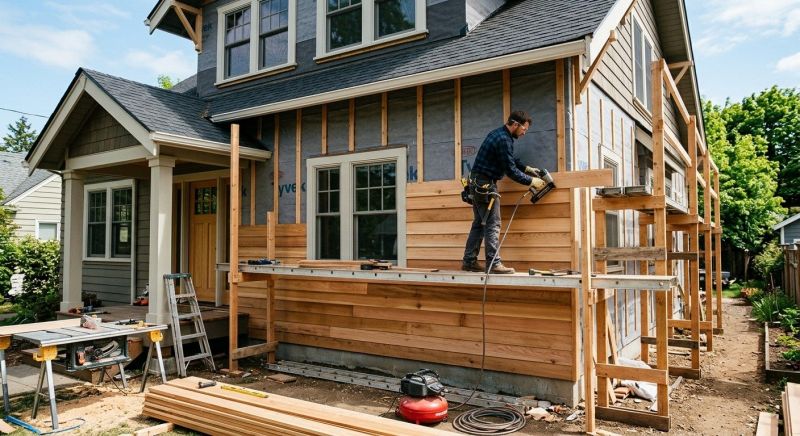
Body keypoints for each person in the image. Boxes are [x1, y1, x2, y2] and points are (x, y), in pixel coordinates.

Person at [462, 110, 546, 274]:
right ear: (515, 124)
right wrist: (531, 181)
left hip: (477, 183)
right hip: (485, 185)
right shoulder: (503, 139)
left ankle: (469, 261)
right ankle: (493, 264)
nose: (524, 133)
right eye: (524, 129)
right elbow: (510, 170)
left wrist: (527, 168)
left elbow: (508, 159)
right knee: (493, 224)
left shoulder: (500, 135)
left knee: (479, 224)